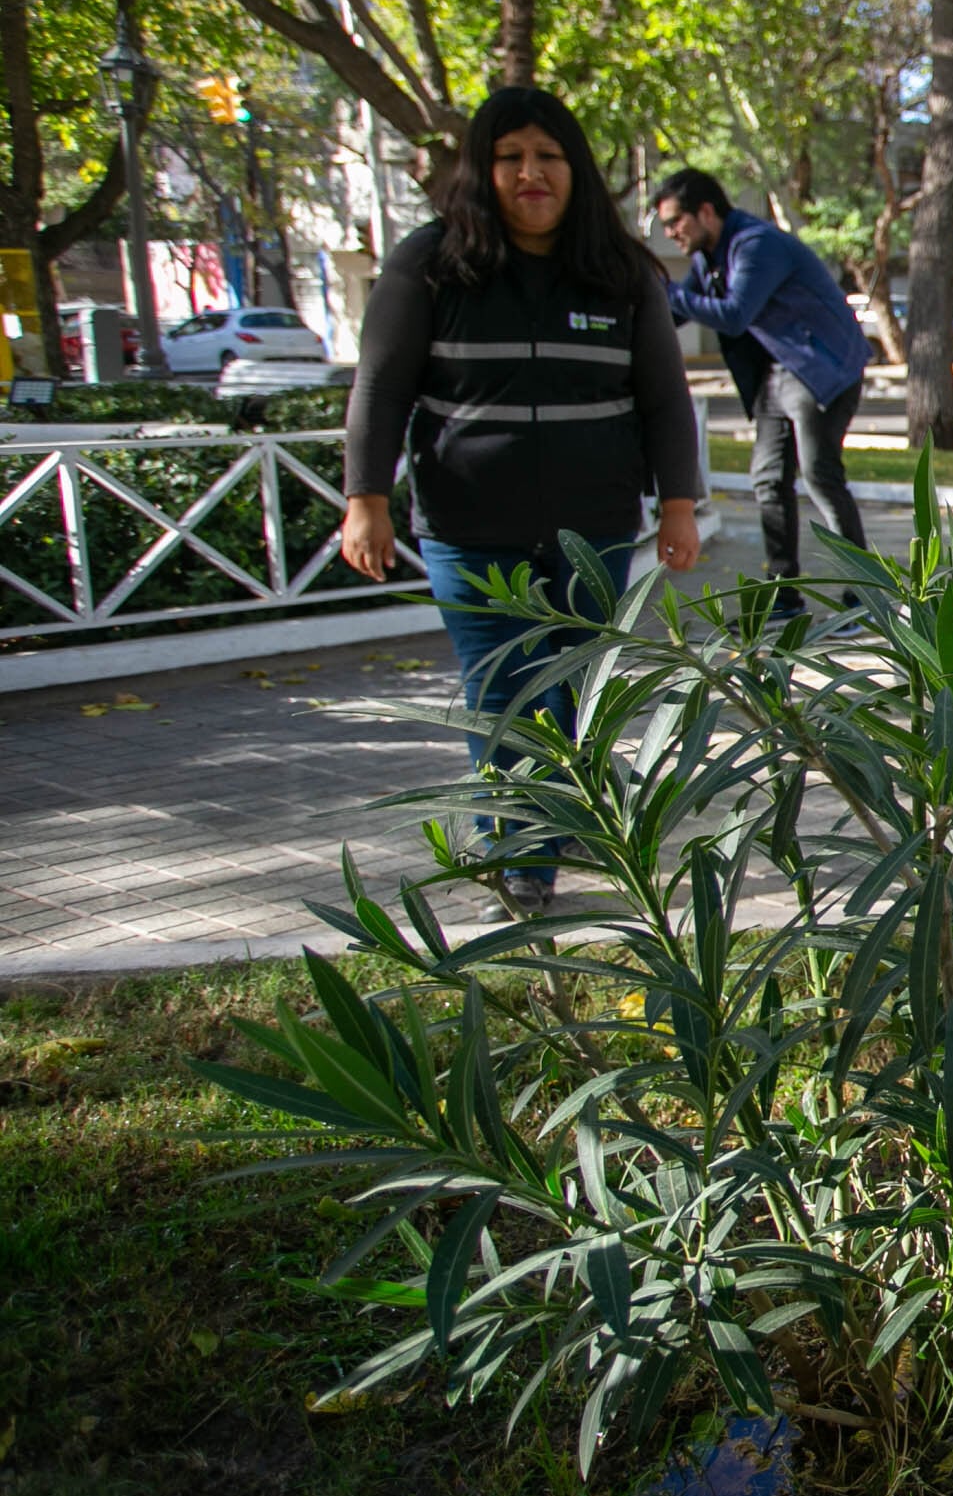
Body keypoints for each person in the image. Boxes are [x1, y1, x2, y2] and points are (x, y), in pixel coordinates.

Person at [340, 86, 705, 921]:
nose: (530, 174)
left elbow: (664, 398)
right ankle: (520, 856)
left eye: (548, 157)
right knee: (499, 687)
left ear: (576, 170)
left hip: (594, 529)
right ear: (482, 169)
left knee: (574, 685)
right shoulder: (427, 264)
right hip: (470, 529)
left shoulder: (621, 272)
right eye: (510, 158)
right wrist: (366, 497)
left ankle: (560, 816)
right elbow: (381, 385)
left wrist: (678, 503)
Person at [650, 169, 871, 588]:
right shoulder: (708, 257)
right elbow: (675, 312)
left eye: (675, 222)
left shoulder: (757, 245)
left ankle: (864, 593)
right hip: (777, 373)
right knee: (768, 480)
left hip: (818, 369)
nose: (670, 233)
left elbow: (735, 314)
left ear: (706, 211)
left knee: (820, 476)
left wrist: (665, 291)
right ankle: (782, 594)